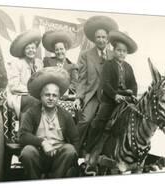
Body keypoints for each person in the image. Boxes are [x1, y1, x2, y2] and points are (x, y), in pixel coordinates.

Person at [18, 67, 80, 179]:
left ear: (58, 97)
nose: (51, 98)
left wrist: (73, 162)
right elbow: (22, 135)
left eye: (54, 95)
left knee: (70, 150)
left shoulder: (65, 115)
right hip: (39, 154)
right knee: (27, 151)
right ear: (40, 96)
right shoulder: (32, 112)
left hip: (58, 158)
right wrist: (42, 142)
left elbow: (75, 139)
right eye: (47, 95)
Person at [85, 30, 138, 160]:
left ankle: (132, 148)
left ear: (127, 53)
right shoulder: (108, 65)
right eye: (119, 50)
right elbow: (105, 83)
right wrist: (115, 95)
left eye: (124, 51)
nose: (121, 53)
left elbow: (134, 84)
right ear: (114, 51)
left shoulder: (128, 67)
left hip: (126, 99)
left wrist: (134, 95)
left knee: (137, 118)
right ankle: (89, 149)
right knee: (98, 121)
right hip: (110, 99)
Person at [73, 16, 119, 153]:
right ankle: (75, 150)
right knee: (86, 121)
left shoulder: (114, 55)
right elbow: (81, 79)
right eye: (98, 37)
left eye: (104, 37)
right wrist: (78, 97)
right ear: (94, 39)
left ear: (107, 39)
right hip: (93, 95)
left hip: (110, 96)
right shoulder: (85, 55)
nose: (101, 40)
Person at [6, 30, 43, 119]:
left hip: (35, 95)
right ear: (24, 51)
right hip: (18, 96)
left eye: (33, 48)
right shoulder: (16, 63)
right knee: (33, 101)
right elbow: (14, 87)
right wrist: (32, 92)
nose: (31, 50)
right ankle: (25, 130)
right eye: (28, 48)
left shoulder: (39, 63)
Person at [42, 30, 78, 97]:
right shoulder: (48, 61)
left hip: (65, 95)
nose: (59, 52)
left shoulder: (72, 66)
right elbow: (45, 78)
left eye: (61, 49)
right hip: (50, 93)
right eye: (57, 50)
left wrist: (66, 90)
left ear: (65, 49)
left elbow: (74, 83)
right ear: (54, 51)